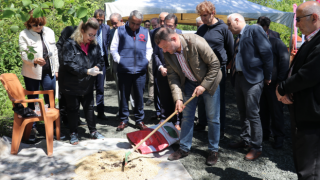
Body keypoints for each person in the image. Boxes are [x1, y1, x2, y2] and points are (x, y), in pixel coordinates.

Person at [155, 27, 222, 166]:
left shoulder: (196, 42)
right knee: (186, 116)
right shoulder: (168, 52)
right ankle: (184, 148)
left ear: (174, 38)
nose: (165, 51)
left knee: (212, 118)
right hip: (190, 83)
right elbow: (172, 77)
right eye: (162, 48)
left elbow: (215, 65)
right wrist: (178, 98)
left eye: (165, 47)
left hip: (210, 81)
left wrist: (203, 85)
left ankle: (213, 150)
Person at [276, 1, 320, 179]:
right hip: (304, 111)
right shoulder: (312, 39)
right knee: (303, 161)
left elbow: (307, 75)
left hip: (313, 116)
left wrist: (282, 88)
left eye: (299, 19)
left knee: (310, 168)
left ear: (315, 17)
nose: (296, 24)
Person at [227, 13, 273, 161]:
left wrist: (267, 76)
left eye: (229, 24)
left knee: (252, 113)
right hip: (240, 78)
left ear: (237, 20)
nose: (228, 27)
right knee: (242, 111)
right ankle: (245, 140)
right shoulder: (238, 36)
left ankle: (256, 147)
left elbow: (267, 53)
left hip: (253, 79)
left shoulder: (254, 29)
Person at [60, 18, 105, 145]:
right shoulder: (70, 43)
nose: (92, 37)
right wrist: (86, 71)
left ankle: (93, 131)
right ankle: (73, 133)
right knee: (73, 109)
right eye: (90, 34)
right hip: (71, 83)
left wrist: (97, 68)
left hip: (87, 83)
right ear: (82, 31)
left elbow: (101, 61)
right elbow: (68, 63)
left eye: (94, 35)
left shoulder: (94, 45)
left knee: (89, 107)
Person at [194, 1, 234, 141]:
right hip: (203, 69)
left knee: (218, 101)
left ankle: (220, 128)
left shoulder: (224, 28)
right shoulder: (201, 29)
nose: (203, 18)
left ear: (213, 13)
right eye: (201, 16)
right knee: (202, 98)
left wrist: (227, 63)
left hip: (218, 69)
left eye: (205, 15)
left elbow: (231, 49)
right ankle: (202, 123)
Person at [19, 10, 59, 141]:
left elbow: (55, 52)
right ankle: (32, 129)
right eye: (35, 25)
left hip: (49, 71)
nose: (38, 27)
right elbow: (23, 54)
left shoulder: (49, 32)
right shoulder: (24, 34)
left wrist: (57, 69)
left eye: (40, 24)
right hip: (32, 72)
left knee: (50, 100)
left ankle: (51, 128)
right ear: (29, 23)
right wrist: (34, 60)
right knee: (33, 100)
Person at [110, 10, 152, 131]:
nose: (135, 26)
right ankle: (123, 120)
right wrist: (120, 60)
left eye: (138, 24)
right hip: (124, 70)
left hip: (140, 70)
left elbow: (149, 49)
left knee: (139, 96)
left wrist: (146, 61)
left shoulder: (145, 31)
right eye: (133, 23)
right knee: (124, 96)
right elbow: (113, 48)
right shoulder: (120, 31)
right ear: (128, 19)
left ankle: (139, 120)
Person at [257, 16, 289, 149]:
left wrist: (280, 81)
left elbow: (284, 61)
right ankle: (265, 134)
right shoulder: (258, 42)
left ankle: (279, 137)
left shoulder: (276, 42)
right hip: (261, 83)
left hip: (274, 83)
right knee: (263, 110)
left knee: (276, 111)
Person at [152, 13, 182, 130]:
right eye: (166, 25)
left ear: (176, 25)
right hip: (163, 71)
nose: (168, 28)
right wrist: (160, 67)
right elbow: (155, 53)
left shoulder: (179, 36)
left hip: (176, 72)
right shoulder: (159, 34)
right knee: (163, 96)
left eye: (170, 26)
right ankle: (164, 118)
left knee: (176, 96)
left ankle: (177, 120)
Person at [56, 25, 87, 128]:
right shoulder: (69, 29)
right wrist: (63, 65)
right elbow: (59, 47)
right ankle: (65, 119)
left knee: (76, 95)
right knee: (64, 95)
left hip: (76, 68)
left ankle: (76, 118)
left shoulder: (86, 33)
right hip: (65, 67)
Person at [109, 13, 135, 117]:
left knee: (132, 88)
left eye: (115, 23)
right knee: (120, 89)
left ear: (121, 21)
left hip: (130, 65)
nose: (114, 25)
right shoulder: (111, 32)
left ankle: (134, 109)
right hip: (117, 66)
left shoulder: (129, 30)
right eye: (112, 23)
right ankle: (122, 110)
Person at [93, 9, 110, 120]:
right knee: (89, 88)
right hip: (90, 61)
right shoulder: (88, 27)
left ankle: (100, 111)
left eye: (101, 20)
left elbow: (106, 43)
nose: (99, 22)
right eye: (97, 20)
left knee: (100, 88)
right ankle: (89, 111)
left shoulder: (107, 28)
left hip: (102, 61)